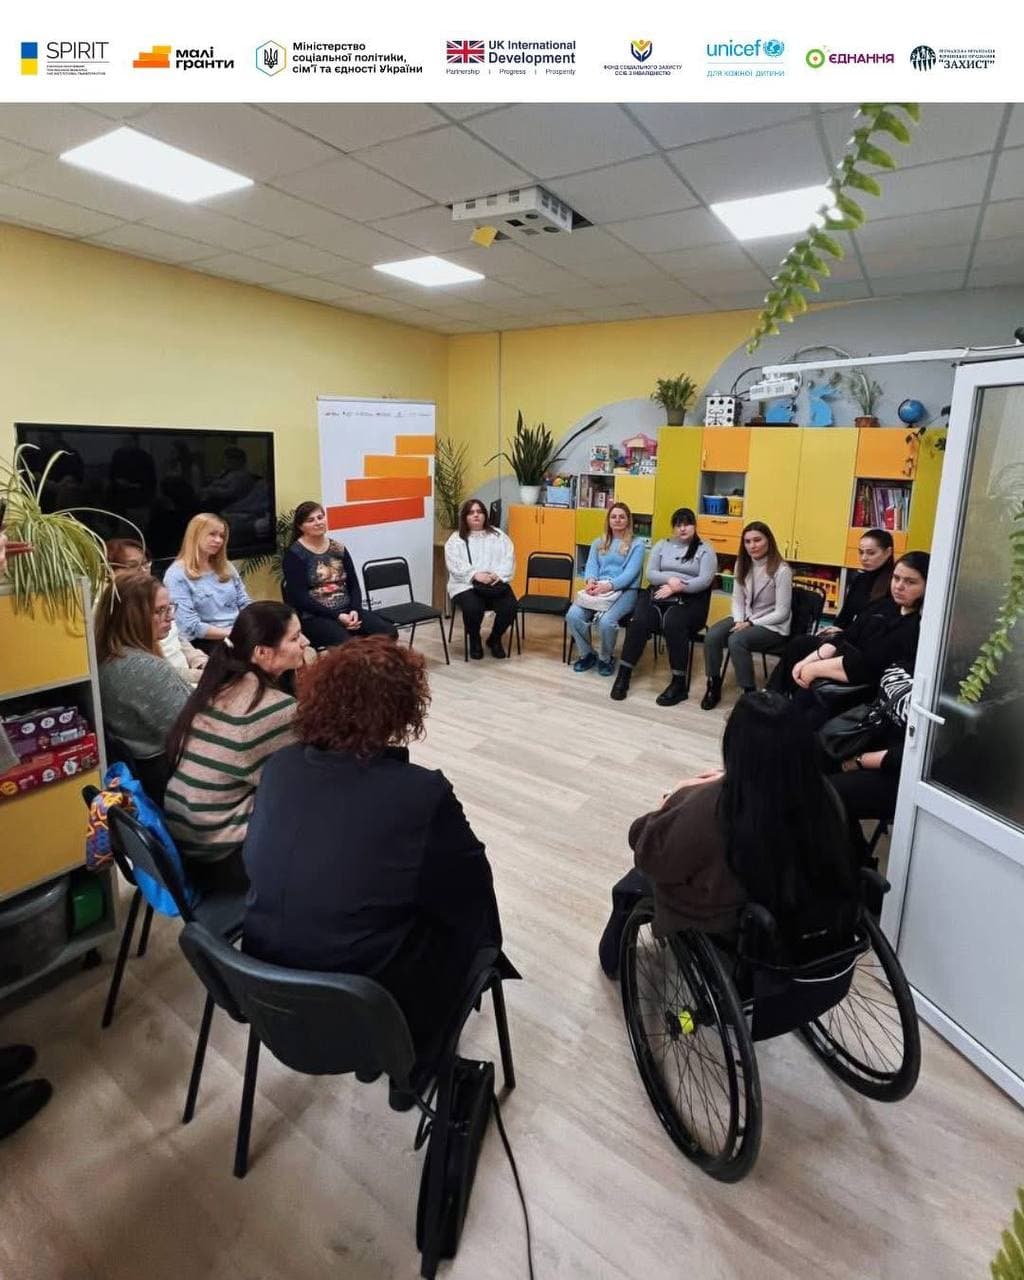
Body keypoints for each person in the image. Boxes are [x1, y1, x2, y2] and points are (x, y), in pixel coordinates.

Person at [242, 636, 510, 1065]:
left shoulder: (279, 768)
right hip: (364, 1010)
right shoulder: (419, 794)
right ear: (402, 711)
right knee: (459, 919)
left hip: (266, 991)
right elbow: (470, 888)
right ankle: (425, 1061)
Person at [598, 691, 858, 976]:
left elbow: (647, 852)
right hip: (805, 918)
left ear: (735, 747)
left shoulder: (712, 808)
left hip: (733, 928)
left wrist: (673, 798)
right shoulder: (826, 795)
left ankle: (612, 961)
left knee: (631, 886)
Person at [164, 603, 307, 894]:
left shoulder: (220, 684)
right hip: (220, 857)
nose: (305, 643)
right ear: (262, 653)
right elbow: (302, 779)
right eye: (295, 638)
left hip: (187, 836)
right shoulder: (271, 710)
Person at [789, 551, 929, 725]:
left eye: (910, 582)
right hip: (842, 673)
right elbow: (848, 634)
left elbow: (867, 664)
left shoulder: (918, 626)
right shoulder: (884, 605)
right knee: (801, 654)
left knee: (806, 714)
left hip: (863, 694)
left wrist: (814, 668)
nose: (899, 586)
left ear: (927, 586)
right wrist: (810, 660)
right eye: (896, 578)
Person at [95, 570, 190, 802]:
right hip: (171, 781)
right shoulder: (148, 669)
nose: (171, 617)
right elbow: (194, 731)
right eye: (160, 611)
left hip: (146, 778)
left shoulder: (107, 657)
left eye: (170, 608)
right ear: (131, 616)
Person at [611, 507, 717, 705]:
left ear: (694, 525)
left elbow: (704, 580)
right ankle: (624, 675)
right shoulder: (662, 545)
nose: (683, 529)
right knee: (638, 621)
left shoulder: (705, 549)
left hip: (692, 600)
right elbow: (651, 573)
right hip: (659, 594)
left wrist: (679, 587)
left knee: (674, 622)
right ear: (673, 528)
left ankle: (679, 683)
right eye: (678, 525)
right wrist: (671, 582)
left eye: (687, 524)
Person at [769, 529, 894, 694]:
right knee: (799, 644)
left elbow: (871, 627)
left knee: (801, 646)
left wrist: (843, 633)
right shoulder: (861, 579)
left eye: (871, 553)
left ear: (888, 552)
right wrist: (835, 628)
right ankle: (778, 693)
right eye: (861, 552)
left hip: (860, 648)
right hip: (845, 637)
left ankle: (777, 693)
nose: (864, 558)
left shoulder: (892, 586)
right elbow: (846, 614)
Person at [700, 522, 792, 710]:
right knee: (712, 636)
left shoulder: (782, 570)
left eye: (757, 540)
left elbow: (782, 613)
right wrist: (739, 619)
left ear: (769, 541)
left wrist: (750, 623)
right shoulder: (742, 564)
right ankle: (713, 683)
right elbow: (737, 599)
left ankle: (749, 694)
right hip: (746, 619)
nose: (752, 546)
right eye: (748, 541)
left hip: (772, 625)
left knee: (736, 641)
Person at [281, 501, 398, 649]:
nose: (318, 522)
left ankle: (377, 670)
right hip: (316, 617)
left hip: (348, 610)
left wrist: (355, 609)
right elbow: (300, 598)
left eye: (320, 517)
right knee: (350, 646)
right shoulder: (294, 555)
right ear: (300, 527)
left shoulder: (338, 548)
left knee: (388, 632)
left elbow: (354, 584)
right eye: (311, 520)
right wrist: (337, 616)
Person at [829, 665, 912, 867]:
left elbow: (918, 752)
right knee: (808, 754)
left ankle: (852, 868)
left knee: (828, 794)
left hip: (900, 771)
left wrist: (859, 761)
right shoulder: (918, 652)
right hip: (873, 734)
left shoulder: (958, 684)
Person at [106, 537, 206, 684]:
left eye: (146, 564)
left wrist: (201, 662)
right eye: (133, 566)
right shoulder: (120, 611)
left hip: (189, 676)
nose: (143, 571)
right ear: (110, 571)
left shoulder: (156, 594)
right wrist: (202, 676)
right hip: (165, 683)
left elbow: (177, 636)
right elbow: (154, 670)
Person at [566, 502, 645, 676]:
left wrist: (608, 586)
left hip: (625, 591)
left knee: (606, 622)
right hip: (598, 588)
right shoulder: (598, 542)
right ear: (608, 520)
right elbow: (591, 566)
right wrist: (591, 581)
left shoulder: (637, 545)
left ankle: (605, 658)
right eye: (613, 516)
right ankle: (587, 654)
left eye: (622, 517)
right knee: (573, 615)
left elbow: (630, 574)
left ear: (628, 520)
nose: (617, 520)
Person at [444, 497, 517, 659]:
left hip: (494, 582)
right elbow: (454, 565)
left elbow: (509, 558)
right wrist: (475, 575)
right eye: (471, 513)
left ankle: (495, 639)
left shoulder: (499, 536)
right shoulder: (456, 540)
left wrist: (498, 574)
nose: (476, 515)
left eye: (479, 512)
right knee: (473, 608)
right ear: (465, 518)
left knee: (510, 606)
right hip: (466, 584)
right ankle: (475, 639)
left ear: (485, 515)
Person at [163, 513, 251, 646]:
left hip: (238, 631)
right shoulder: (176, 575)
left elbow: (244, 601)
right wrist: (232, 633)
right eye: (212, 534)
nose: (218, 540)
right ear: (195, 535)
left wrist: (256, 623)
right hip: (207, 641)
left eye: (222, 536)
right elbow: (190, 626)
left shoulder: (226, 566)